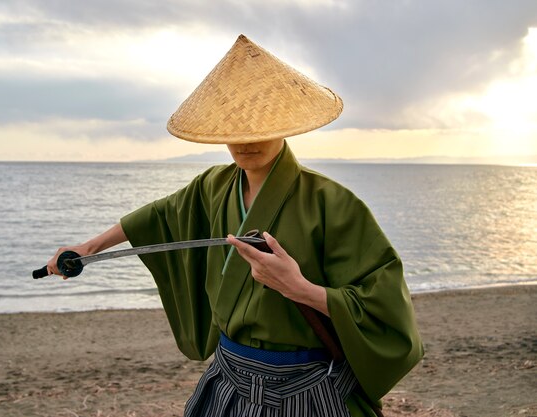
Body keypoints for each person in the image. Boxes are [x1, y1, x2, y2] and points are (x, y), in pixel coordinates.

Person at [46, 34, 423, 417]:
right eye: (233, 131)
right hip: (228, 382)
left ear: (284, 125)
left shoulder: (332, 203)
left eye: (259, 128)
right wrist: (89, 248)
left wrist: (301, 289)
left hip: (304, 389)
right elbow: (158, 216)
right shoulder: (213, 186)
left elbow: (384, 305)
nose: (245, 142)